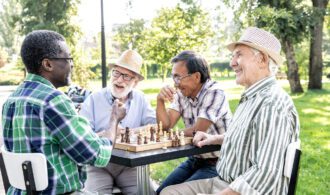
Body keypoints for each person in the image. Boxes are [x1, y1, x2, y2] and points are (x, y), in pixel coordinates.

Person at [160, 27, 300, 195]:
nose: (232, 63)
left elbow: (266, 173)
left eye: (239, 55)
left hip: (239, 189)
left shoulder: (272, 104)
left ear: (262, 59)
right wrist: (214, 138)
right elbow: (249, 140)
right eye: (233, 56)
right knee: (167, 192)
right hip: (224, 180)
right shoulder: (253, 97)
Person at [1, 30, 126, 194]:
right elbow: (96, 154)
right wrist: (114, 120)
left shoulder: (11, 101)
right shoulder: (53, 100)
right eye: (68, 58)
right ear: (48, 64)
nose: (72, 64)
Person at [80, 50, 156, 194]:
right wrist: (110, 132)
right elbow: (84, 137)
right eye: (116, 73)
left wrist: (129, 132)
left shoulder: (141, 99)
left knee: (147, 192)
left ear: (136, 82)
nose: (119, 80)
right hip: (98, 165)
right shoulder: (94, 99)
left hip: (130, 165)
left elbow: (155, 127)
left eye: (126, 76)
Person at [156, 50, 232, 194]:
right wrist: (160, 100)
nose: (175, 84)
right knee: (161, 191)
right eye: (173, 78)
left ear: (196, 76)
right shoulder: (182, 93)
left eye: (178, 77)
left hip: (220, 162)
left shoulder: (215, 92)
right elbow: (165, 127)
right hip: (195, 159)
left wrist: (171, 134)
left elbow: (198, 131)